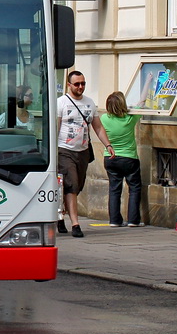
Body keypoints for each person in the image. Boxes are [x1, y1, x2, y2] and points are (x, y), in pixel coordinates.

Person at [57, 70, 114, 237]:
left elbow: (97, 126)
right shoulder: (61, 103)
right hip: (64, 150)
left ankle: (60, 216)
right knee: (71, 184)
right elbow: (56, 127)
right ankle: (75, 224)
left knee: (77, 186)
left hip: (82, 151)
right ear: (69, 85)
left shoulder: (89, 103)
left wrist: (107, 145)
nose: (80, 87)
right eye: (77, 84)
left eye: (83, 83)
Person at [100, 91, 143, 227]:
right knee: (134, 188)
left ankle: (114, 220)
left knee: (114, 189)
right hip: (129, 157)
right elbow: (141, 103)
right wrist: (148, 80)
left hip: (110, 157)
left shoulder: (104, 118)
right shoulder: (129, 119)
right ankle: (133, 220)